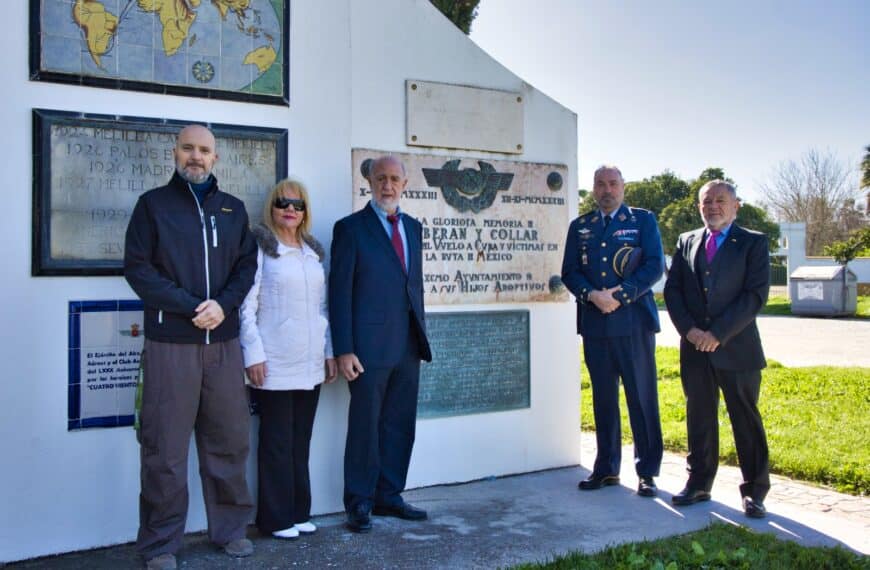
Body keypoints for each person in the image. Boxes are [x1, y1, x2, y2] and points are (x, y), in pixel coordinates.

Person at [124, 124, 257, 570]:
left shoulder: (232, 210)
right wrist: (190, 307)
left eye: (204, 150)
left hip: (223, 343)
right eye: (188, 149)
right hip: (171, 345)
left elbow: (246, 267)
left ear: (215, 158)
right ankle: (160, 543)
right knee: (164, 447)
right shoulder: (152, 207)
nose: (195, 157)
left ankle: (231, 530)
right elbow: (139, 270)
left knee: (229, 441)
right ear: (175, 153)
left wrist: (222, 306)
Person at [329, 155, 432, 533]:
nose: (387, 185)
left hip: (408, 344)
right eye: (380, 179)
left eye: (393, 179)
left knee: (399, 425)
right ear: (369, 183)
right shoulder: (351, 229)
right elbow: (339, 293)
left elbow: (412, 286)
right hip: (367, 347)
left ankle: (389, 496)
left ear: (405, 184)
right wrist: (344, 348)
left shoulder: (414, 228)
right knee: (365, 427)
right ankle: (359, 501)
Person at [663, 180, 771, 518]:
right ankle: (699, 483)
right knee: (700, 416)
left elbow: (755, 295)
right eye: (706, 201)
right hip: (694, 348)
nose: (713, 206)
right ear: (699, 207)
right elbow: (673, 291)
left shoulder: (753, 243)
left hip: (737, 348)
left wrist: (718, 334)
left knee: (745, 418)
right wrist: (690, 331)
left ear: (736, 205)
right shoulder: (686, 241)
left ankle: (754, 491)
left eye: (720, 200)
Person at [240, 179, 338, 539]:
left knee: (300, 441)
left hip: (309, 360)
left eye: (298, 204)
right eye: (284, 203)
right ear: (273, 207)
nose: (290, 209)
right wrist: (253, 354)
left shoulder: (313, 253)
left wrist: (328, 352)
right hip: (275, 360)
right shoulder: (261, 249)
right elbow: (246, 307)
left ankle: (298, 512)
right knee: (276, 442)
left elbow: (322, 308)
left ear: (305, 210)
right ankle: (275, 518)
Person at [561, 165, 665, 497]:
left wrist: (619, 296)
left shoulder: (642, 221)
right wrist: (592, 296)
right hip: (596, 324)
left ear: (623, 187)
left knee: (641, 398)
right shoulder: (581, 227)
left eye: (613, 184)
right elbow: (570, 272)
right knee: (603, 399)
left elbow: (654, 266)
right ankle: (606, 468)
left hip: (633, 323)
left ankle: (647, 471)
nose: (607, 190)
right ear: (593, 189)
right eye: (601, 184)